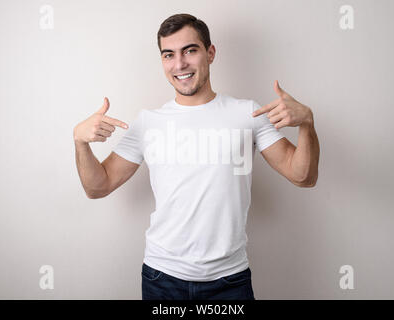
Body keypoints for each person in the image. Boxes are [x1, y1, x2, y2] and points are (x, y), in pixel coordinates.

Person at [73, 13, 320, 300]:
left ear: (210, 53)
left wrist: (307, 124)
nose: (179, 64)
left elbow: (303, 177)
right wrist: (80, 143)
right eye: (169, 55)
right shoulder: (148, 122)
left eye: (190, 50)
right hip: (161, 277)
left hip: (230, 280)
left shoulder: (247, 113)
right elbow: (97, 187)